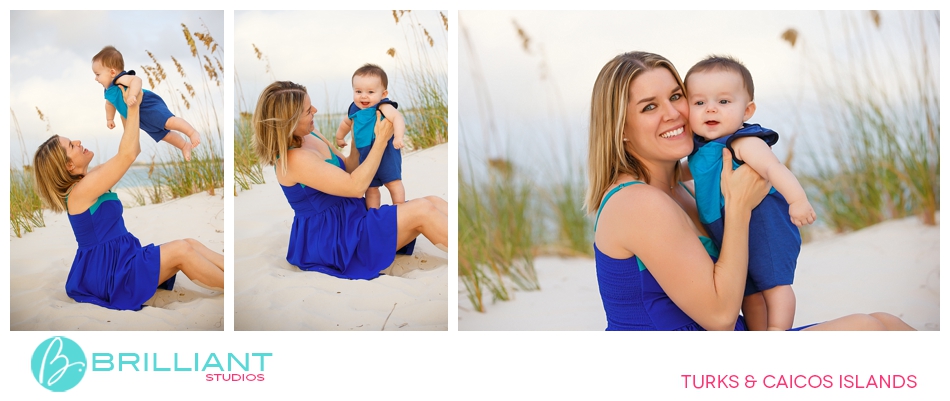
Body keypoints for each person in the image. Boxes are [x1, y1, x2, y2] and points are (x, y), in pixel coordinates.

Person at [585, 51, 913, 331]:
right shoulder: (637, 202)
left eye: (675, 96)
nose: (673, 114)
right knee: (871, 329)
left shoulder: (683, 188)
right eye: (648, 107)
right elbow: (719, 316)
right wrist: (739, 209)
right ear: (621, 129)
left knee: (884, 323)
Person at [33, 86, 224, 311]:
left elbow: (131, 149)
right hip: (112, 274)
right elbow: (128, 154)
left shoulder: (88, 182)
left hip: (123, 259)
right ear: (69, 166)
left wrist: (125, 104)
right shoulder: (80, 192)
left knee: (190, 243)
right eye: (71, 146)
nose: (77, 141)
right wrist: (133, 107)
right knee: (182, 250)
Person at [253, 81, 447, 279]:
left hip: (353, 218)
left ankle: (475, 245)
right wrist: (380, 141)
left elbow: (349, 167)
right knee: (423, 209)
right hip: (336, 238)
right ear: (289, 121)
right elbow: (356, 187)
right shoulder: (295, 159)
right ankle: (474, 259)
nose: (315, 110)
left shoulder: (311, 134)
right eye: (307, 111)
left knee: (434, 201)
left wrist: (358, 136)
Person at [683, 55, 816, 331]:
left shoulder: (743, 142)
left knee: (774, 284)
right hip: (728, 225)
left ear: (747, 110)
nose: (711, 110)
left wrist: (797, 200)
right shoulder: (698, 150)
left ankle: (779, 330)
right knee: (749, 291)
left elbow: (773, 169)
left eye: (723, 102)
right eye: (699, 103)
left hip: (763, 223)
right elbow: (686, 173)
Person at [93, 45, 201, 161]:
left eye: (98, 74)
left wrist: (132, 95)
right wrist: (110, 119)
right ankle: (184, 145)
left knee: (168, 122)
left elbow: (136, 80)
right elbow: (109, 104)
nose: (96, 78)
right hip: (139, 117)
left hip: (146, 104)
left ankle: (192, 132)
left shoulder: (119, 79)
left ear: (112, 72)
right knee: (163, 135)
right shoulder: (108, 91)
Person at [334, 64, 406, 209]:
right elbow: (346, 123)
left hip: (386, 152)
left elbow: (397, 118)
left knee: (393, 182)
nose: (363, 96)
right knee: (370, 187)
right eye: (358, 91)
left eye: (370, 92)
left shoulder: (383, 106)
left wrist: (398, 137)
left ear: (383, 94)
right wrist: (340, 137)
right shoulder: (354, 109)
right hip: (365, 154)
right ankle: (372, 212)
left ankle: (400, 208)